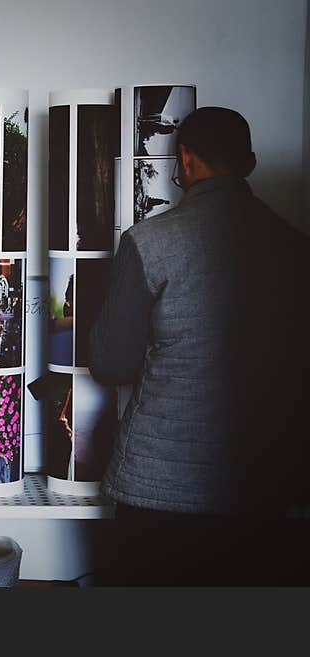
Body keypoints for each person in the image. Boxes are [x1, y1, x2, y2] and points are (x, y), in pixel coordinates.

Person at [89, 107, 310, 585]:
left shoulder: (149, 241)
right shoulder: (296, 249)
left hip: (159, 487)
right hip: (263, 485)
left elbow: (110, 364)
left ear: (184, 159)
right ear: (249, 163)